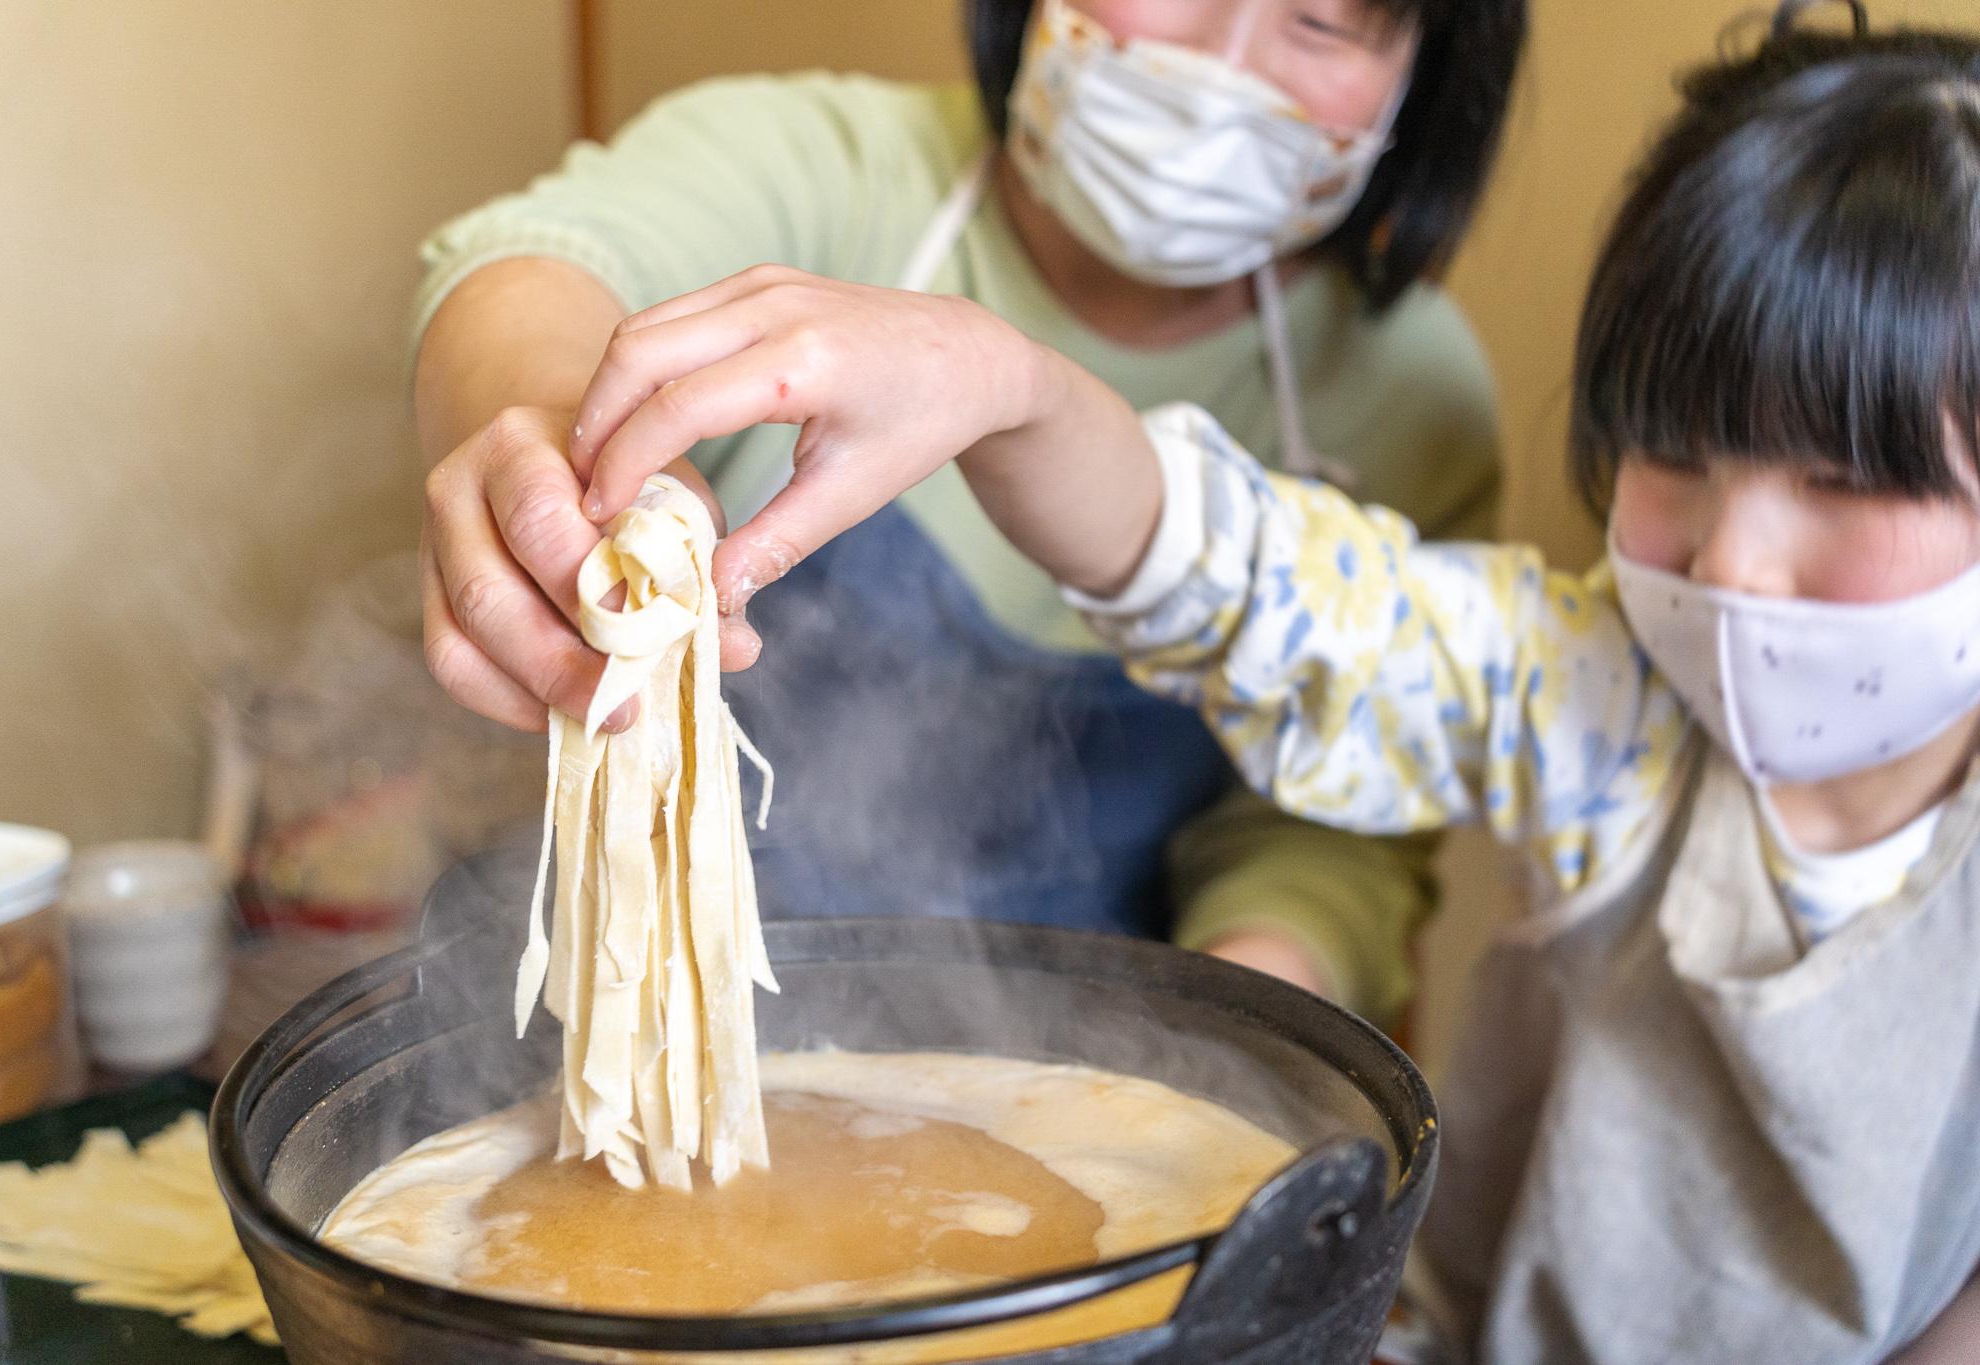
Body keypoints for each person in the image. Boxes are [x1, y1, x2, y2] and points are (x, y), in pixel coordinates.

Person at [567, 2, 1980, 1358]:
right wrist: (1014, 391)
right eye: (1676, 458)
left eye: (1845, 484)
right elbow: (1244, 580)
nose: (1732, 555)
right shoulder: (1590, 694)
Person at [414, 0, 1525, 1021]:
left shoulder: (1408, 394)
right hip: (648, 1006)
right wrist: (554, 453)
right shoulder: (828, 174)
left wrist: (1205, 1065)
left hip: (1108, 1056)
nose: (1221, 66)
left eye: (1323, 19)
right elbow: (539, 267)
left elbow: (1329, 827)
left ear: (1431, 70)